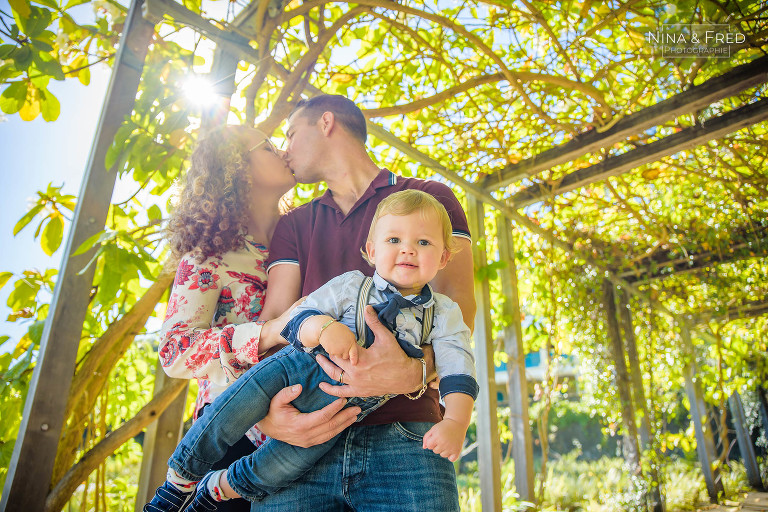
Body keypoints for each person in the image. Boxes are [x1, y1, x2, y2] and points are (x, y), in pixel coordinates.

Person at [144, 190, 479, 511]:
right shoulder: (351, 284)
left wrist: (456, 421)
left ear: (444, 257)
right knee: (234, 405)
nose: (408, 250)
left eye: (423, 243)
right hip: (293, 369)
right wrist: (324, 327)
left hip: (342, 407)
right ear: (371, 250)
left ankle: (222, 487)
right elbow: (300, 314)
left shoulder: (444, 314)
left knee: (285, 463)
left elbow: (458, 368)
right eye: (394, 240)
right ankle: (180, 479)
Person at [250, 94, 477, 511]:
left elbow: (457, 306)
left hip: (408, 434)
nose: (285, 149)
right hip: (306, 432)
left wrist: (414, 372)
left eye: (290, 133)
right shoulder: (294, 223)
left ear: (326, 123)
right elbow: (276, 322)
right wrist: (265, 416)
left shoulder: (431, 197)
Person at [148, 125, 335, 512]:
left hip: (306, 441)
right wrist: (265, 334)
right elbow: (174, 350)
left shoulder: (308, 236)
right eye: (267, 147)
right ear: (237, 169)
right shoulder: (209, 254)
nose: (283, 151)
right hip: (229, 438)